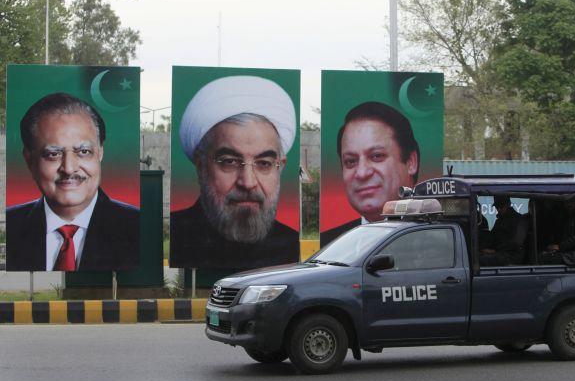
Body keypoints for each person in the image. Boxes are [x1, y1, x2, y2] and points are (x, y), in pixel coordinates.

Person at [170, 75, 299, 270]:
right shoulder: (179, 235)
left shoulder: (289, 243)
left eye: (264, 163)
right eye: (229, 162)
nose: (248, 182)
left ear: (280, 166)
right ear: (200, 165)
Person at [6, 93, 139, 272]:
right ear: (29, 160)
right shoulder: (13, 226)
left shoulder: (137, 228)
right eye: (53, 154)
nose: (69, 168)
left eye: (83, 151)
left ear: (100, 152)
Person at [320, 102, 419, 245]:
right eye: (350, 161)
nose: (362, 173)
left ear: (411, 162)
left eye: (376, 156)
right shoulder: (333, 245)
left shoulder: (436, 239)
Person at [542, 198, 575, 265]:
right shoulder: (572, 216)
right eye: (566, 202)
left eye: (571, 202)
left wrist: (560, 246)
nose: (568, 205)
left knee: (544, 259)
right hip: (574, 254)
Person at [479, 196, 527, 266]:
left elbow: (516, 243)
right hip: (501, 253)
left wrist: (494, 251)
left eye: (500, 207)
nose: (498, 209)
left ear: (506, 205)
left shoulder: (519, 220)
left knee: (480, 261)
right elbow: (492, 236)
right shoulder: (500, 220)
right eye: (497, 207)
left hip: (511, 256)